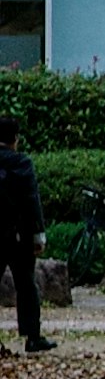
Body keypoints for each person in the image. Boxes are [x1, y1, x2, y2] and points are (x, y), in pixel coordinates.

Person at [0, 118, 41, 357]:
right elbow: (31, 200)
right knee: (26, 284)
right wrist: (38, 233)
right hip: (18, 233)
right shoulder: (22, 163)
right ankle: (32, 336)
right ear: (15, 138)